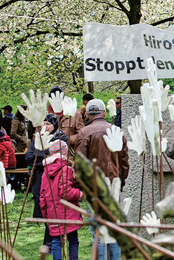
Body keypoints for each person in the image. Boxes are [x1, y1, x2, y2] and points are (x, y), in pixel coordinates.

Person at [75, 99, 128, 260]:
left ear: (87, 115)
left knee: (97, 229)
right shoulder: (116, 131)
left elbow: (79, 164)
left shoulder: (84, 133)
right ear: (104, 113)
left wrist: (81, 186)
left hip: (94, 188)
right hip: (113, 186)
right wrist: (120, 183)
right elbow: (125, 162)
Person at [25, 113, 69, 249]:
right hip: (40, 177)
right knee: (43, 205)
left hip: (56, 177)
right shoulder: (38, 138)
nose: (45, 126)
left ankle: (52, 241)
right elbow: (29, 157)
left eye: (48, 124)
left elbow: (59, 158)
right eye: (43, 123)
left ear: (54, 125)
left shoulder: (61, 137)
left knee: (54, 207)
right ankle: (50, 240)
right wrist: (45, 159)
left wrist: (41, 158)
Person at [40, 140, 83, 260]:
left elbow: (42, 195)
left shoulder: (45, 172)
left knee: (56, 241)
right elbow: (65, 192)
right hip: (68, 212)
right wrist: (80, 194)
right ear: (64, 153)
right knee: (73, 239)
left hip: (53, 212)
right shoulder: (66, 169)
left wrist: (45, 213)